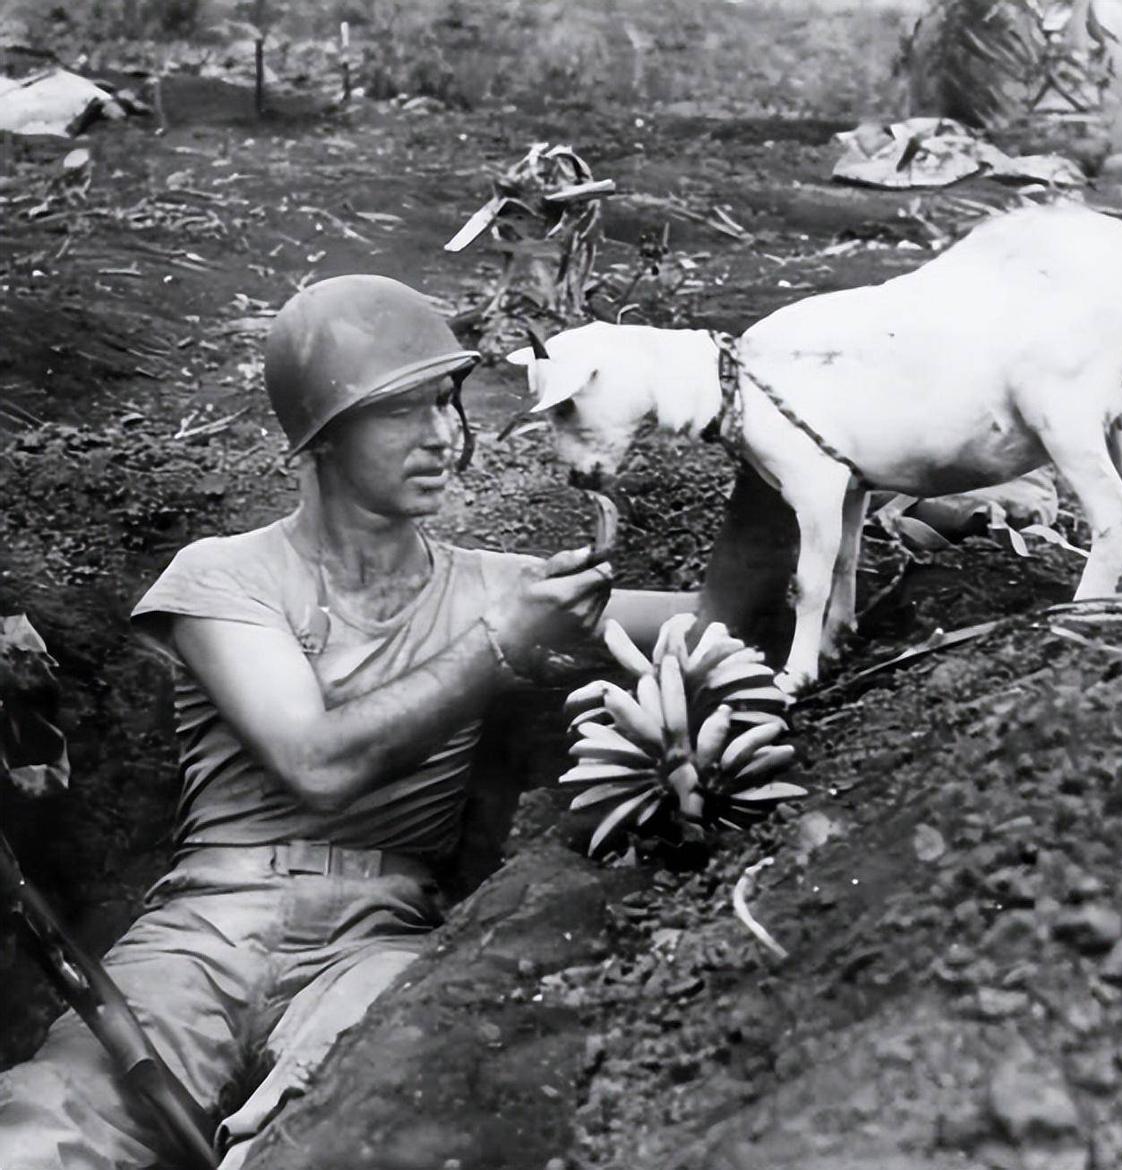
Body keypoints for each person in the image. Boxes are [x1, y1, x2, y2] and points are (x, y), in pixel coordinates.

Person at [0, 274, 695, 1169]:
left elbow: (721, 614)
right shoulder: (225, 575)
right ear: (323, 438)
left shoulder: (500, 586)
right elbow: (315, 763)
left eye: (448, 404)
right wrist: (499, 646)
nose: (444, 435)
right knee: (48, 1126)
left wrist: (792, 452)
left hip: (382, 935)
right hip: (208, 927)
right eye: (404, 411)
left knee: (348, 1126)